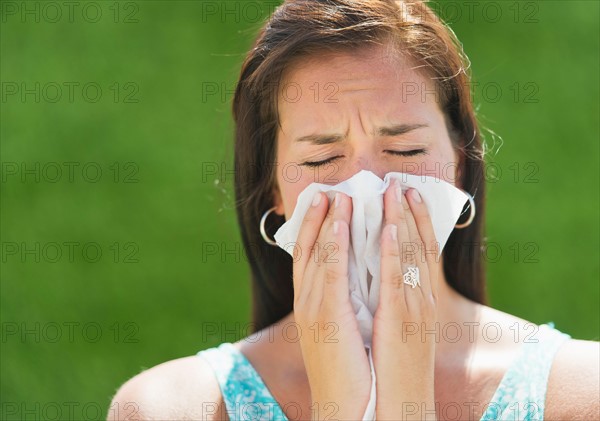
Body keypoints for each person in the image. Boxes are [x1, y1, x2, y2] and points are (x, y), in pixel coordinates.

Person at [108, 0, 599, 420]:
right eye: (322, 158)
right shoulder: (172, 407)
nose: (370, 185)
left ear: (460, 165)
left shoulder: (581, 395)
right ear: (274, 192)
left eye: (405, 150)